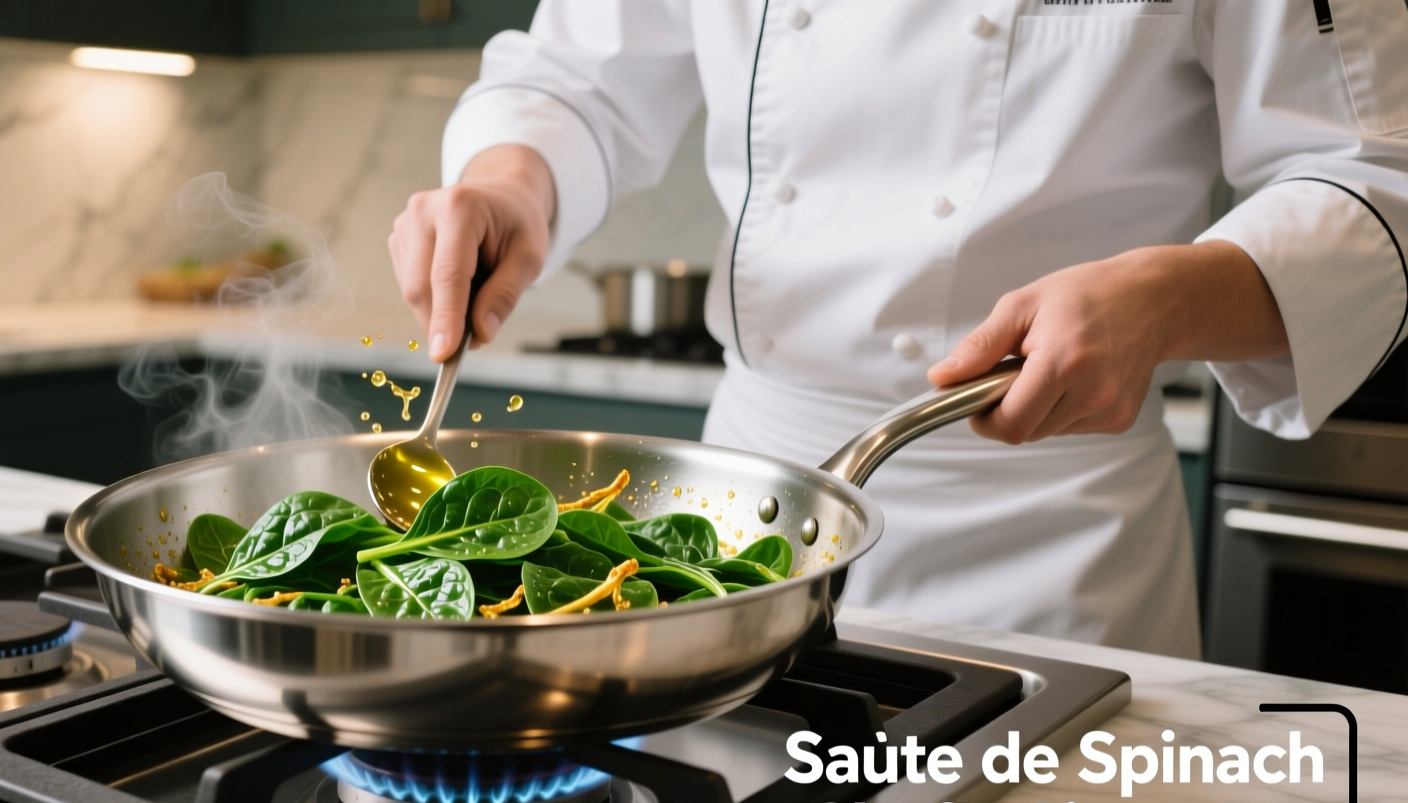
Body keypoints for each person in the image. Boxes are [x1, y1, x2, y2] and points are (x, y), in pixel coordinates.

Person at [387, 1, 1408, 658]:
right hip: (745, 513)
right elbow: (580, 78)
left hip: (1046, 540)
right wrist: (507, 182)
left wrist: (1161, 296)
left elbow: (1372, 180)